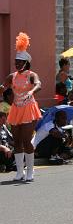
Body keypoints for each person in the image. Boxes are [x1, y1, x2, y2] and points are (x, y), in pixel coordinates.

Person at [0, 32, 41, 181]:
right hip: (16, 109)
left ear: (26, 63)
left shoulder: (31, 75)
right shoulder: (12, 76)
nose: (16, 64)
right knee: (16, 140)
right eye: (15, 61)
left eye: (19, 62)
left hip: (29, 108)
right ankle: (19, 172)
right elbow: (3, 87)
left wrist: (31, 91)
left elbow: (38, 84)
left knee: (26, 140)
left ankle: (30, 171)